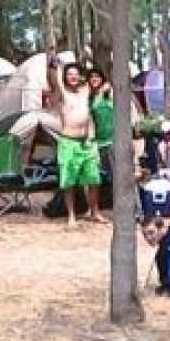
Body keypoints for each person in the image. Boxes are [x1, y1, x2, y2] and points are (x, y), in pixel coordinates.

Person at [47, 53, 107, 226]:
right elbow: (52, 81)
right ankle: (71, 215)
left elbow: (98, 78)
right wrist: (52, 67)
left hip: (86, 142)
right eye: (69, 74)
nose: (72, 76)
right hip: (68, 142)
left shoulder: (84, 91)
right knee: (69, 182)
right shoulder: (62, 94)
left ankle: (94, 212)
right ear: (65, 77)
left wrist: (88, 59)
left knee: (94, 179)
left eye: (75, 74)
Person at [87, 67, 114, 174]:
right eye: (91, 77)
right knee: (105, 172)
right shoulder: (89, 98)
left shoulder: (111, 93)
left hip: (114, 140)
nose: (94, 79)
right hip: (99, 142)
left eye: (97, 76)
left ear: (102, 79)